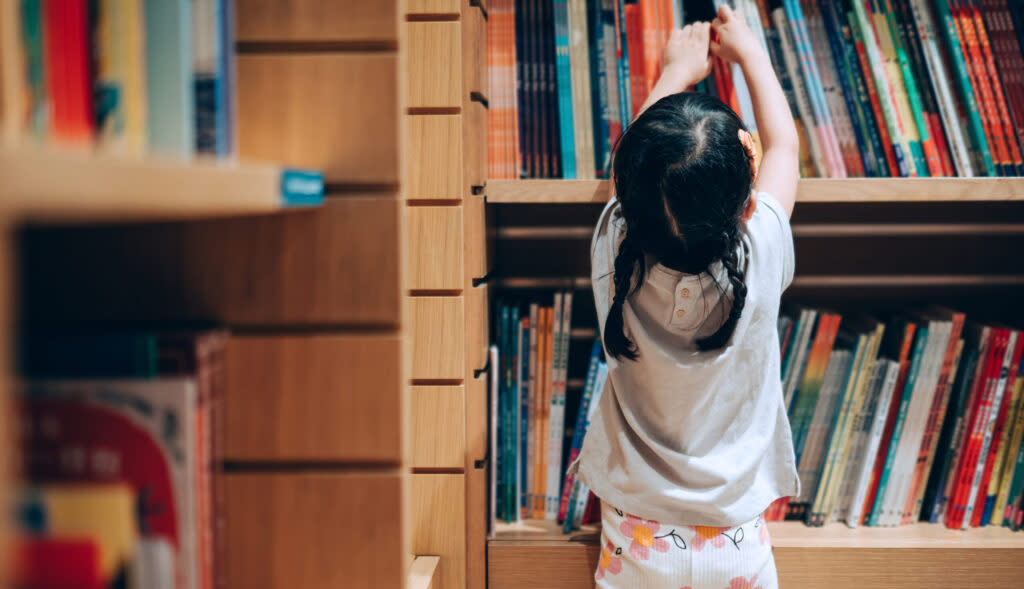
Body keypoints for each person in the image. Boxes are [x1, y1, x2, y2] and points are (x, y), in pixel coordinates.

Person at [574, 5, 801, 588]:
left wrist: (674, 73)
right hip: (737, 535)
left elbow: (634, 172)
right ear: (746, 206)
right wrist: (750, 52)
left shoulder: (612, 250)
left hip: (636, 535)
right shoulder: (761, 248)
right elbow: (783, 149)